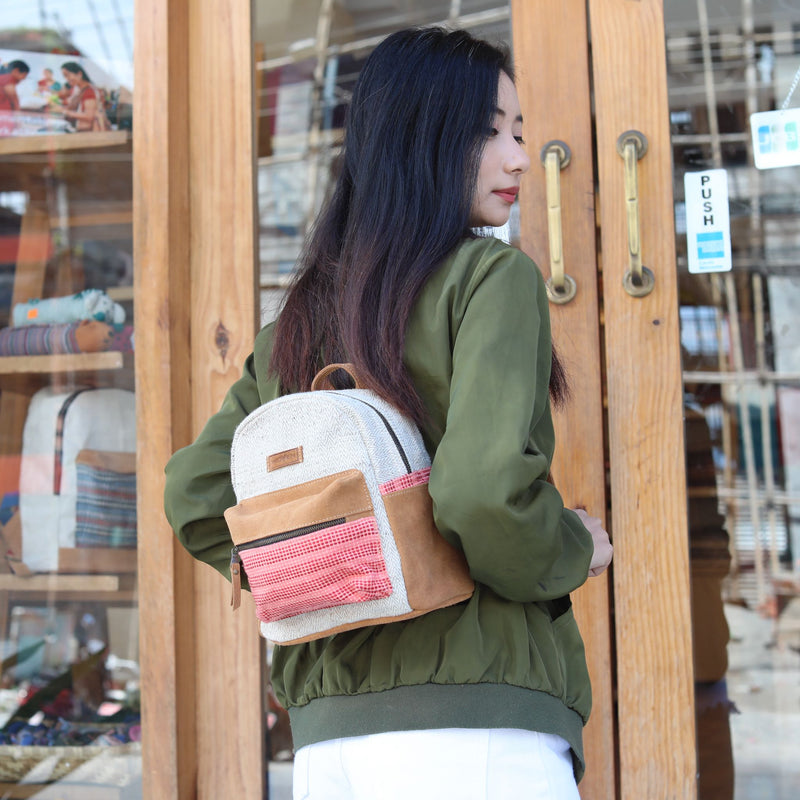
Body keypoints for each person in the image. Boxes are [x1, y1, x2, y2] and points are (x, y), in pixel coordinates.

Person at [164, 25, 612, 800]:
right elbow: (480, 493)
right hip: (474, 733)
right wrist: (576, 547)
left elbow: (195, 496)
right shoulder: (490, 278)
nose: (516, 158)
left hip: (327, 744)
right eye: (488, 131)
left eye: (520, 134)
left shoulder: (297, 326)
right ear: (420, 139)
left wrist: (323, 572)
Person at [48, 62, 110, 132]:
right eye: (65, 76)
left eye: (68, 75)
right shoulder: (80, 90)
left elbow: (89, 116)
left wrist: (64, 111)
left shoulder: (89, 91)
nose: (67, 79)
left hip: (88, 133)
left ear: (79, 74)